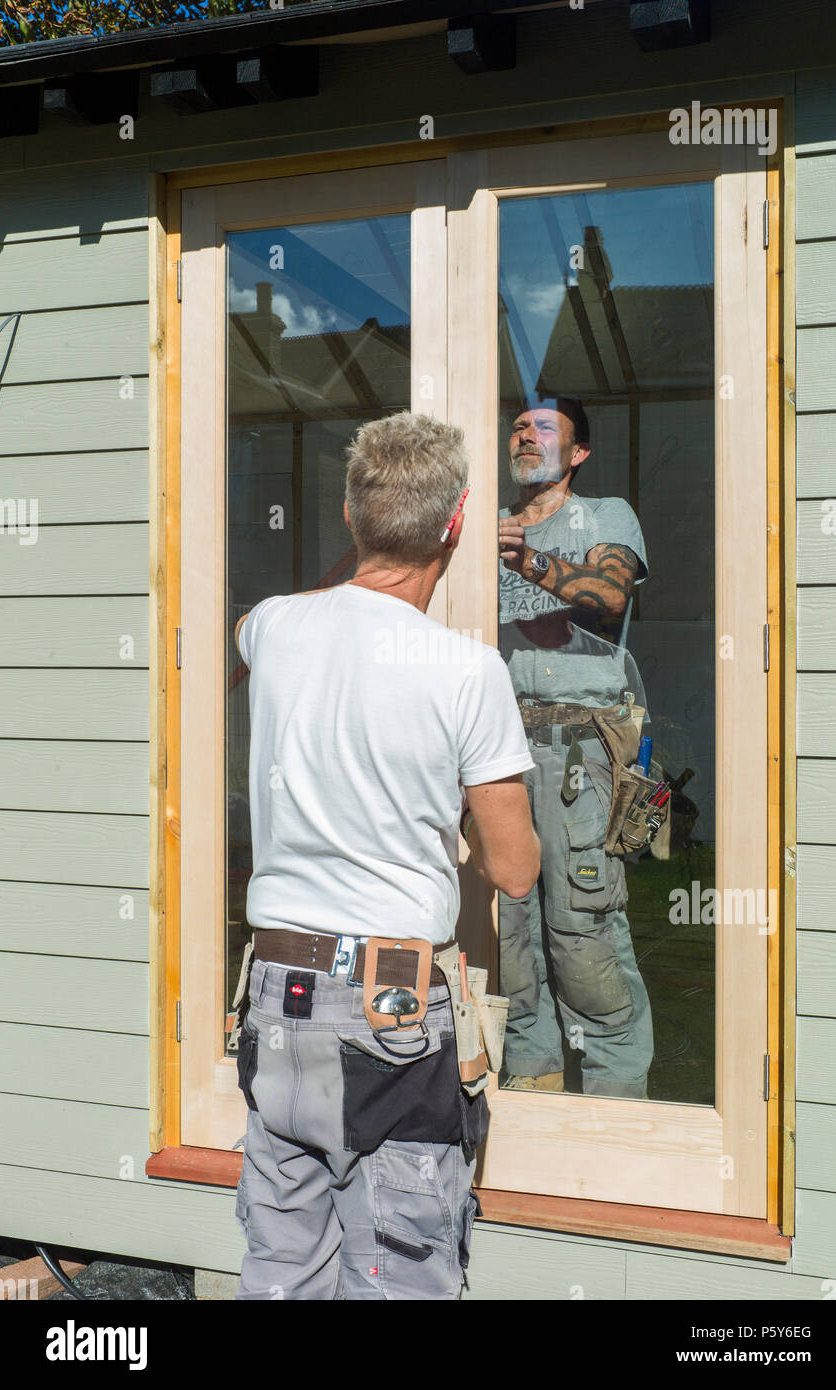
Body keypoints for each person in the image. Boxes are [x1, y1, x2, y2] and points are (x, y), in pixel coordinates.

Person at [232, 411, 540, 1299]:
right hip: (390, 1013)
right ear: (458, 523)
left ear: (347, 514)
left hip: (275, 1003)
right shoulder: (467, 670)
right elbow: (514, 869)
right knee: (396, 1274)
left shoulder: (274, 632)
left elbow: (256, 620)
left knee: (283, 1267)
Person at [497, 396, 654, 1099]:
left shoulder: (605, 515)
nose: (524, 435)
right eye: (518, 426)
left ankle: (617, 1111)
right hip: (496, 750)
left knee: (580, 925)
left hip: (578, 757)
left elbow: (609, 595)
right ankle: (531, 1091)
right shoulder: (480, 532)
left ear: (578, 452)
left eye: (543, 428)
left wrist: (522, 557)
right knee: (511, 928)